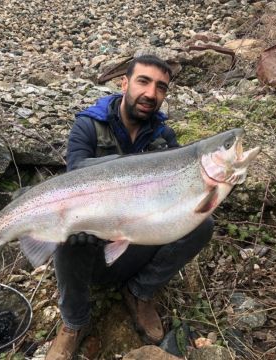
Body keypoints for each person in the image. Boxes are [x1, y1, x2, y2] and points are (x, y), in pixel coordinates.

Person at [45, 55, 214, 360]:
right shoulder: (88, 126)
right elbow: (72, 184)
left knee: (202, 222)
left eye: (161, 87)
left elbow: (177, 196)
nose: (151, 93)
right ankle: (74, 322)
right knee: (68, 233)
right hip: (91, 243)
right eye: (143, 81)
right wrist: (83, 224)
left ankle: (139, 292)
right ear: (124, 83)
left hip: (136, 238)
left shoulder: (164, 138)